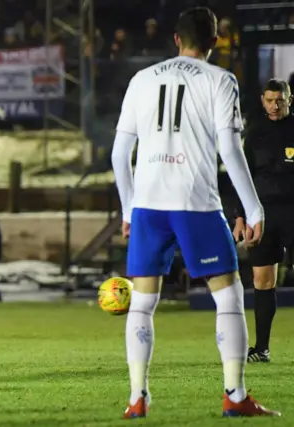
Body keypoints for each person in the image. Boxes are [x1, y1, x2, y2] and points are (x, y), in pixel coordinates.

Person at [111, 7, 279, 418]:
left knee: (142, 303)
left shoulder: (141, 79)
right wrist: (254, 207)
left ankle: (138, 398)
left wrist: (128, 208)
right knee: (230, 296)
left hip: (149, 206)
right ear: (215, 41)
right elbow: (230, 150)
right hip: (195, 205)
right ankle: (235, 396)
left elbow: (119, 154)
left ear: (175, 39)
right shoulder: (222, 81)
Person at [232, 79, 294, 363]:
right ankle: (262, 348)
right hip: (263, 214)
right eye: (269, 100)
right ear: (262, 100)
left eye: (279, 99)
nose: (274, 105)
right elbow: (241, 178)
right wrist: (240, 216)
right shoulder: (254, 135)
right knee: (262, 279)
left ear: (289, 99)